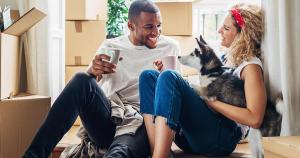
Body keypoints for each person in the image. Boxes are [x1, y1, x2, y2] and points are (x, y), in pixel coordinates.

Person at [23, 0, 180, 158]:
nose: (156, 32)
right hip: (110, 117)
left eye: (159, 25)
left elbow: (175, 94)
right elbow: (86, 88)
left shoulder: (170, 47)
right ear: (131, 26)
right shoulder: (111, 46)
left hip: (143, 122)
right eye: (149, 27)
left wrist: (165, 76)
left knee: (119, 152)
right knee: (81, 79)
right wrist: (92, 71)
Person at [139, 3, 265, 158]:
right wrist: (164, 84)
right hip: (193, 135)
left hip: (220, 138)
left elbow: (255, 118)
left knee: (169, 77)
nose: (219, 31)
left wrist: (212, 103)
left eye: (226, 28)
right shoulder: (227, 59)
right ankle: (157, 152)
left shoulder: (250, 66)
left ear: (242, 34)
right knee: (149, 77)